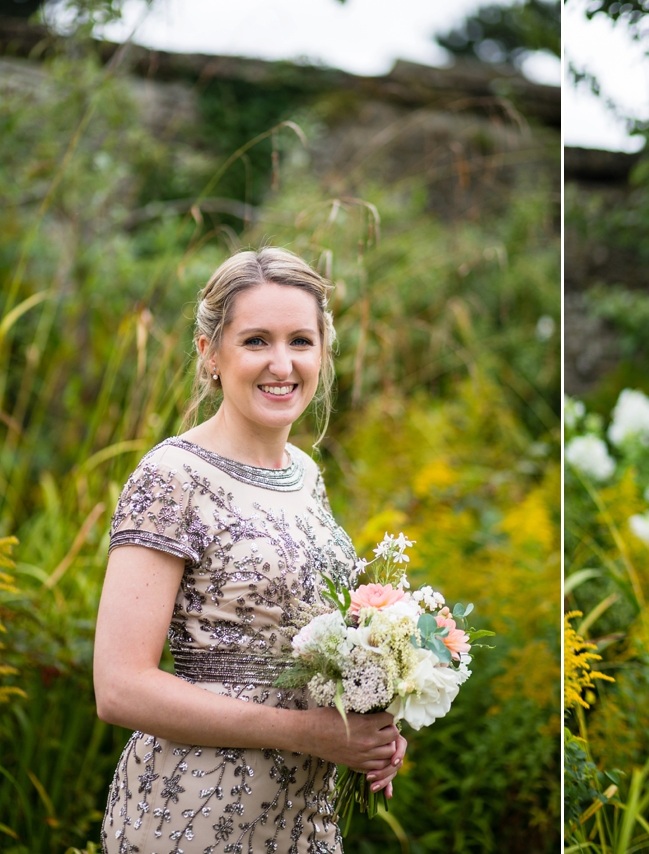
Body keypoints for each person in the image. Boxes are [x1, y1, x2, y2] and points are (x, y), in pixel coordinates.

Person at [95, 247, 406, 854]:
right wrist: (308, 733)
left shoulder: (306, 474)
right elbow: (119, 686)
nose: (282, 364)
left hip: (303, 819)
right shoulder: (172, 476)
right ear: (210, 353)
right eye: (257, 340)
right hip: (191, 811)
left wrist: (369, 724)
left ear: (324, 353)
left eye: (301, 341)